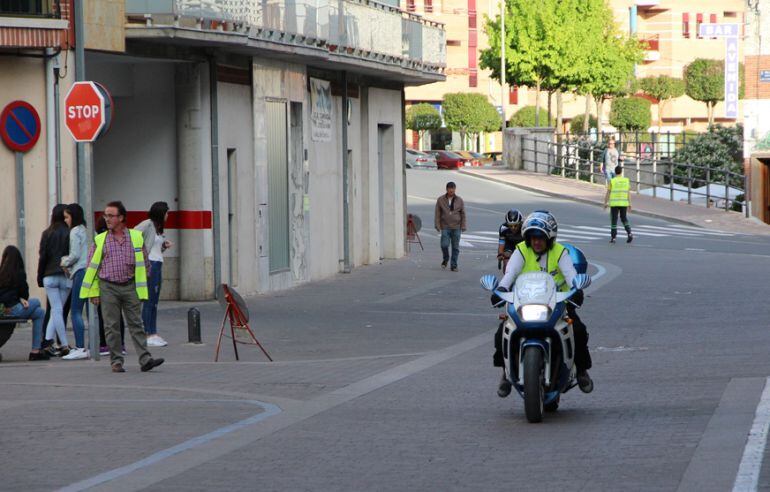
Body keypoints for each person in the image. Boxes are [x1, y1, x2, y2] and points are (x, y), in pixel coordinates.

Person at [495, 211, 593, 396]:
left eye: (540, 237)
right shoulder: (521, 250)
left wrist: (576, 289)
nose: (536, 241)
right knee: (502, 330)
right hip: (525, 302)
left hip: (558, 301)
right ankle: (505, 374)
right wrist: (500, 289)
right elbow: (510, 274)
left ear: (549, 238)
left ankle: (582, 371)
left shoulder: (559, 252)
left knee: (578, 329)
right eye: (533, 237)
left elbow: (571, 275)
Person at [80, 201, 164, 373]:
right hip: (107, 287)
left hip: (129, 286)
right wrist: (94, 292)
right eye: (105, 215)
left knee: (136, 324)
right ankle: (116, 361)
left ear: (121, 218)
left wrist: (141, 283)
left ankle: (145, 359)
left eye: (111, 215)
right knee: (112, 326)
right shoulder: (100, 240)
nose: (107, 219)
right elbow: (91, 268)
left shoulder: (135, 237)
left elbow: (145, 263)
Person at [0, 246, 49, 360]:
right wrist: (21, 299)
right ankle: (35, 351)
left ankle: (35, 351)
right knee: (36, 301)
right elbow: (25, 295)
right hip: (15, 310)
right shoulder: (19, 273)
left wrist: (21, 299)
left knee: (39, 313)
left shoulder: (1, 273)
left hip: (3, 310)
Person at [135, 201, 172, 347]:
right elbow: (134, 235)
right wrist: (140, 254)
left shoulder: (158, 229)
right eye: (166, 212)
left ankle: (153, 332)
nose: (168, 215)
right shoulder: (147, 224)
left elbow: (156, 247)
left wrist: (163, 246)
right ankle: (147, 333)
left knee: (154, 301)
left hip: (158, 262)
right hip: (150, 264)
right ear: (160, 213)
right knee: (149, 300)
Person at [37, 204, 72, 357]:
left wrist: (40, 276)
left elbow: (42, 257)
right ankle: (63, 345)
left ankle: (48, 342)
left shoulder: (47, 233)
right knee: (58, 310)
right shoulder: (70, 232)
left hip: (49, 275)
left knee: (55, 311)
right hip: (65, 275)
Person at [60, 203, 90, 360]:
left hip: (80, 272)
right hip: (89, 271)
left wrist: (64, 261)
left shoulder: (74, 232)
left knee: (76, 311)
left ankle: (80, 347)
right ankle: (90, 346)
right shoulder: (85, 230)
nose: (65, 220)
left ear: (73, 216)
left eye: (67, 217)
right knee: (89, 311)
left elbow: (75, 255)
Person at [93, 216, 126, 356]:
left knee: (104, 315)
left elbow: (94, 264)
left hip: (105, 283)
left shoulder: (99, 241)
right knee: (118, 315)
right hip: (120, 282)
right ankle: (121, 344)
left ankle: (105, 344)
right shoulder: (119, 239)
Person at [434, 181, 466, 272]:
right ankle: (446, 258)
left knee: (455, 247)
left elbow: (463, 214)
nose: (451, 190)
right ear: (447, 189)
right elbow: (437, 213)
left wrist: (463, 226)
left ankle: (454, 265)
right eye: (450, 188)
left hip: (456, 227)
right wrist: (437, 225)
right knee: (444, 245)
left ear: (455, 189)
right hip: (445, 226)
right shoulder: (440, 199)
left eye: (453, 188)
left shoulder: (459, 200)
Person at [604, 165, 634, 244]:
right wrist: (630, 204)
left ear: (615, 172)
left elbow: (608, 192)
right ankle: (629, 233)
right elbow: (628, 193)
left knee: (614, 220)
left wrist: (605, 202)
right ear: (621, 172)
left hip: (614, 203)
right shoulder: (626, 180)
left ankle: (613, 238)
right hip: (624, 203)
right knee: (624, 218)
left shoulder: (612, 181)